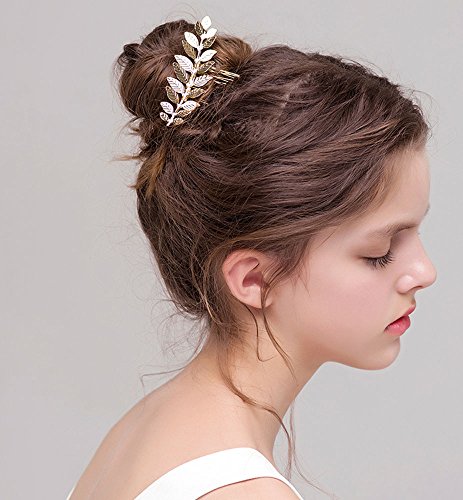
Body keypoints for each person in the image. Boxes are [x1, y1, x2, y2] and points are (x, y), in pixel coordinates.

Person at [66, 14, 437, 500]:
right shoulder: (241, 491)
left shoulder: (143, 429)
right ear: (254, 279)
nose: (424, 272)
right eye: (380, 252)